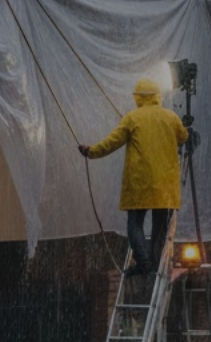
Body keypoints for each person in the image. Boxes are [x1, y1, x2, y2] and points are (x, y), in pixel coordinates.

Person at [79, 78, 188, 276]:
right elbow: (183, 137)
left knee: (135, 224)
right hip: (165, 185)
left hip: (140, 182)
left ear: (138, 98)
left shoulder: (132, 118)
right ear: (157, 96)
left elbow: (111, 143)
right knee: (159, 228)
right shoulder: (170, 117)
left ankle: (143, 262)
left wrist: (90, 152)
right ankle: (155, 264)